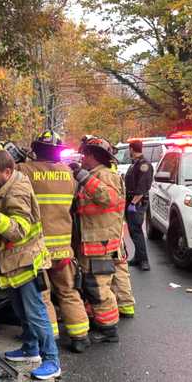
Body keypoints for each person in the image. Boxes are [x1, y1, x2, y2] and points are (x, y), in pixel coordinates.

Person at [0, 149, 61, 379]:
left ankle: (52, 360)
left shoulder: (17, 191)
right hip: (14, 263)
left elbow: (19, 231)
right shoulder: (6, 186)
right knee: (22, 310)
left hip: (26, 263)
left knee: (36, 312)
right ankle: (31, 349)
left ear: (7, 171)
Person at [17, 131, 90, 353]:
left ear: (35, 149)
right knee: (68, 292)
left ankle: (50, 339)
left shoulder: (24, 171)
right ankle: (80, 336)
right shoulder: (69, 173)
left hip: (37, 249)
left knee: (43, 295)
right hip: (64, 249)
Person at [69, 137, 125, 343]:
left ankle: (109, 330)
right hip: (89, 241)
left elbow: (108, 198)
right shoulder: (94, 175)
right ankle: (98, 321)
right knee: (89, 284)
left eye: (85, 155)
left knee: (98, 287)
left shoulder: (105, 175)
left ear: (93, 156)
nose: (82, 158)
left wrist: (82, 176)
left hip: (99, 242)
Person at [124, 140, 153, 271]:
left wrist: (133, 203)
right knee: (133, 231)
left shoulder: (144, 164)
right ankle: (138, 257)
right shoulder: (135, 164)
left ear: (131, 149)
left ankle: (144, 261)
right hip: (131, 201)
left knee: (136, 231)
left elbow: (142, 187)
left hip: (137, 202)